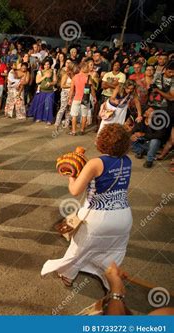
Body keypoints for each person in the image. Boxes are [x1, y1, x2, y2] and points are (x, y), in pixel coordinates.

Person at [42, 124, 133, 290]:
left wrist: (71, 174)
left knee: (79, 248)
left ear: (102, 141)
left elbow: (75, 190)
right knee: (114, 249)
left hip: (98, 216)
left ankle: (67, 276)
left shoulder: (95, 163)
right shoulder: (127, 161)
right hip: (124, 216)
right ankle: (111, 282)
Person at [67, 61, 96, 135]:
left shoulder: (74, 77)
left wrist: (70, 99)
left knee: (74, 115)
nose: (88, 68)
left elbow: (71, 90)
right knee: (84, 115)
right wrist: (94, 97)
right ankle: (82, 130)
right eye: (86, 67)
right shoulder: (88, 77)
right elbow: (91, 89)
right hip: (85, 98)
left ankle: (73, 131)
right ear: (82, 68)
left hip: (76, 98)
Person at [28, 59, 57, 125]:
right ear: (43, 65)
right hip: (41, 91)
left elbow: (55, 81)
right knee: (40, 105)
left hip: (50, 91)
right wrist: (44, 76)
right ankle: (39, 117)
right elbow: (37, 81)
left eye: (48, 64)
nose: (46, 66)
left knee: (48, 105)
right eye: (45, 64)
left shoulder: (53, 71)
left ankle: (49, 119)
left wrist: (50, 83)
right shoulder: (40, 72)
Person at [54, 62, 73, 128]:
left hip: (71, 93)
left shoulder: (73, 75)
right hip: (65, 93)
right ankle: (57, 123)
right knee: (63, 108)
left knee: (69, 109)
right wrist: (71, 86)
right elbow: (62, 85)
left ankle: (67, 124)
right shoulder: (65, 75)